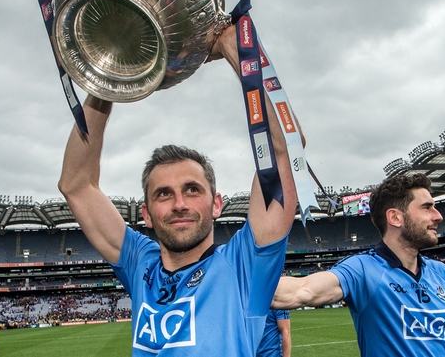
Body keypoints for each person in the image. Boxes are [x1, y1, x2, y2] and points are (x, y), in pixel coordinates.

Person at [57, 26, 300, 356]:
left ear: (216, 204)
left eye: (192, 189)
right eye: (163, 194)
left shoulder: (245, 266)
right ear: (146, 214)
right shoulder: (140, 263)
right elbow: (76, 185)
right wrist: (108, 79)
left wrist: (234, 48)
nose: (179, 204)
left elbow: (283, 152)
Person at [272, 174, 445, 356]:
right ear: (395, 217)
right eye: (426, 208)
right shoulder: (362, 269)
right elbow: (304, 290)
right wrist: (250, 283)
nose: (438, 216)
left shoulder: (440, 271)